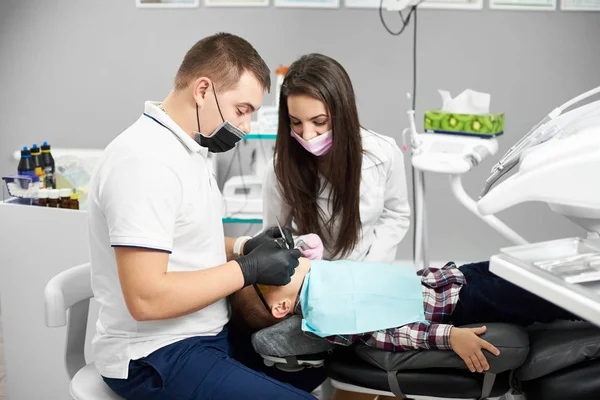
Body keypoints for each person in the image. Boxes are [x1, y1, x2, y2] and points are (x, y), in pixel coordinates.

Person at [87, 32, 317, 400]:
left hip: (206, 333)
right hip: (156, 355)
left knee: (320, 367)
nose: (245, 126)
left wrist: (244, 245)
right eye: (242, 110)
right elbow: (146, 299)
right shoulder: (144, 161)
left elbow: (182, 241)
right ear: (203, 90)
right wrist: (247, 269)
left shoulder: (188, 149)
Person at [230, 258, 579, 385]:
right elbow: (391, 333)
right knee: (555, 295)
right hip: (463, 306)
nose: (282, 265)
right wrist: (450, 336)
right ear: (281, 308)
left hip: (451, 277)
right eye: (275, 275)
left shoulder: (320, 278)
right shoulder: (329, 316)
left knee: (540, 266)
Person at [262, 53, 411, 264]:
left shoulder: (384, 154)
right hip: (312, 274)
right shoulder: (280, 168)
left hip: (368, 270)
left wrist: (372, 265)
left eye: (319, 121)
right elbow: (272, 235)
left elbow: (396, 215)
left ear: (343, 114)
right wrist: (301, 245)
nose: (307, 134)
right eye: (296, 122)